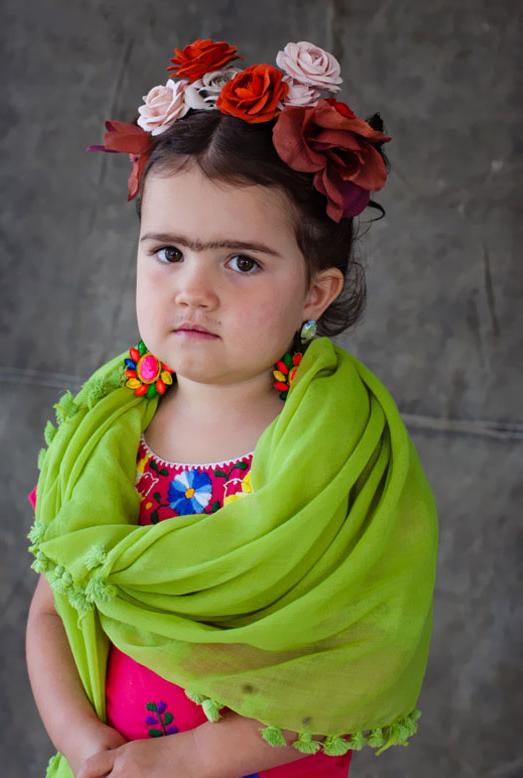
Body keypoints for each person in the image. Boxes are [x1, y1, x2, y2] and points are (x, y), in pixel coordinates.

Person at [25, 39, 438, 778]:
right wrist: (83, 745)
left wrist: (184, 759)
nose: (194, 289)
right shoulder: (104, 430)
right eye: (168, 253)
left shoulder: (339, 452)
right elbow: (54, 609)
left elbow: (358, 656)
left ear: (315, 292)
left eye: (241, 261)